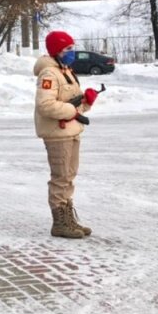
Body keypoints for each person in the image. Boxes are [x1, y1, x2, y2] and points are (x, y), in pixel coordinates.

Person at [33, 30, 100, 239]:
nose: (72, 52)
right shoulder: (49, 74)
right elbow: (45, 105)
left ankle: (68, 218)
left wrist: (87, 101)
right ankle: (59, 222)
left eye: (72, 47)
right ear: (57, 50)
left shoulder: (67, 71)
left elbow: (74, 104)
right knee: (61, 177)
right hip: (57, 133)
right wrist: (71, 111)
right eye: (68, 49)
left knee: (69, 176)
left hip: (71, 131)